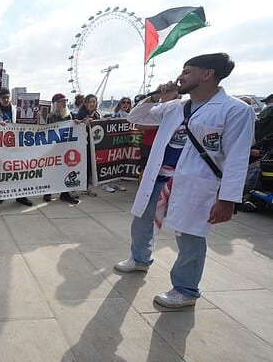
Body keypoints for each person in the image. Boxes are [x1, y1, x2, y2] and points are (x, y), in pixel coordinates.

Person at [114, 53, 254, 308]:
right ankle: (140, 259)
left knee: (190, 236)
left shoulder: (235, 110)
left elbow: (237, 157)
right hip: (160, 176)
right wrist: (156, 95)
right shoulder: (175, 107)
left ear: (207, 74)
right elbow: (135, 118)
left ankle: (186, 290)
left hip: (195, 183)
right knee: (142, 221)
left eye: (187, 71)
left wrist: (228, 199)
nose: (180, 76)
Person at [0, 87, 33, 206]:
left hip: (16, 144)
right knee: (0, 170)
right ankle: (0, 193)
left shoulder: (17, 110)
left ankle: (21, 195)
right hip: (1, 146)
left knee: (19, 170)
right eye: (3, 97)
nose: (6, 99)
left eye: (7, 97)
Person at [43, 93, 80, 204]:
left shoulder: (68, 115)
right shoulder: (51, 116)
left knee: (65, 170)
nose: (64, 103)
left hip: (65, 147)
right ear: (55, 103)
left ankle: (65, 193)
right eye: (61, 101)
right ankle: (48, 192)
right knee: (51, 169)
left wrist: (76, 123)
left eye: (65, 101)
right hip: (53, 147)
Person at [101, 97, 132, 193]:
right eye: (123, 102)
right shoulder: (115, 115)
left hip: (124, 143)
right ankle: (106, 184)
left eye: (128, 103)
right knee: (112, 163)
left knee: (121, 163)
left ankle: (116, 183)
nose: (126, 104)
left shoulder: (132, 116)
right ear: (120, 104)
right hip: (114, 143)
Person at [74, 94, 100, 196]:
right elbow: (76, 125)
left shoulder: (96, 114)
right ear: (85, 103)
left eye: (94, 102)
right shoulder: (81, 114)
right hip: (83, 144)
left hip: (93, 144)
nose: (92, 104)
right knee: (81, 166)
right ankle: (77, 187)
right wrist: (83, 122)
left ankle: (86, 187)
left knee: (90, 166)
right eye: (90, 102)